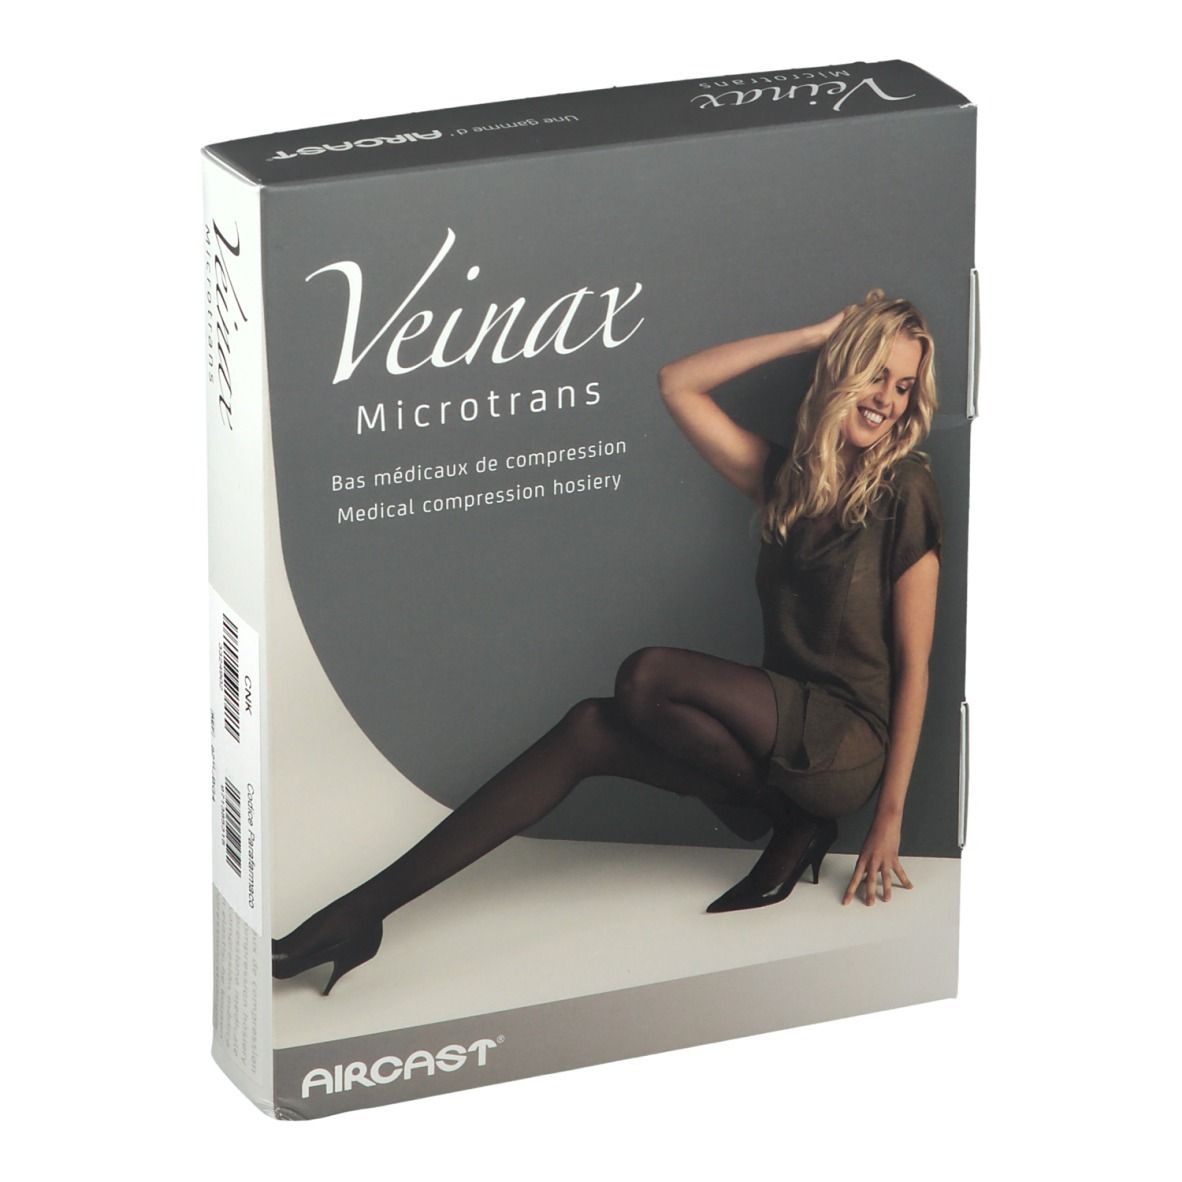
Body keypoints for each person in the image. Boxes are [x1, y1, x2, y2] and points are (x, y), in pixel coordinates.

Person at [273, 289, 943, 995]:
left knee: (647, 676)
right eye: (875, 374)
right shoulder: (792, 483)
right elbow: (676, 384)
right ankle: (362, 912)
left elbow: (915, 666)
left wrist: (888, 820)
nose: (887, 399)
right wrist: (814, 333)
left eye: (903, 386)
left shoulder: (906, 492)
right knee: (590, 727)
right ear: (841, 369)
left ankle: (797, 820)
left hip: (845, 740)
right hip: (780, 731)